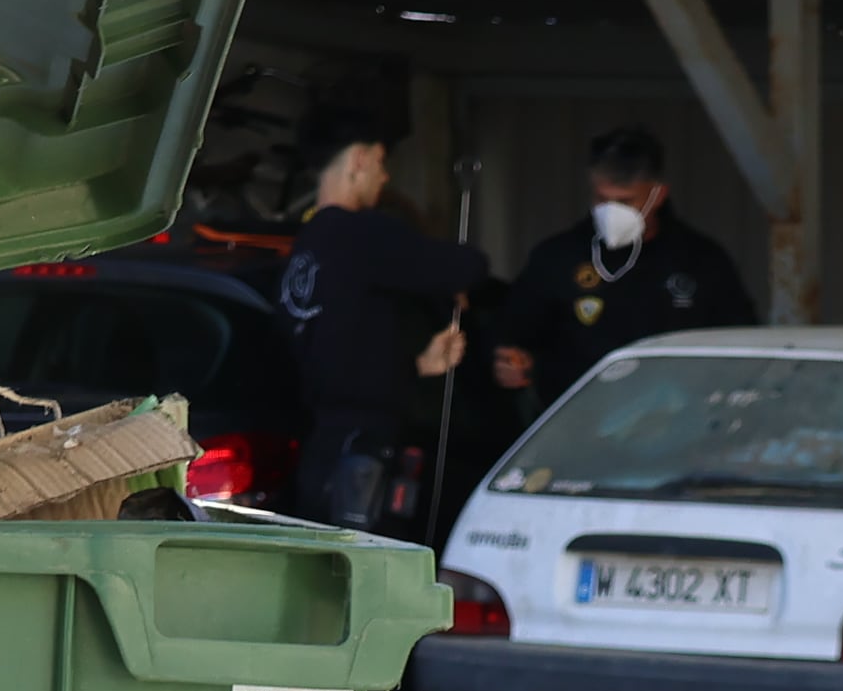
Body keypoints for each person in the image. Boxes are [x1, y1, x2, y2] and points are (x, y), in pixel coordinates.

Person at [276, 109, 485, 540]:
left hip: (320, 445)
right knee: (365, 567)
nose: (385, 177)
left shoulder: (309, 242)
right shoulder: (363, 234)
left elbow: (343, 348)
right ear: (358, 160)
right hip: (361, 452)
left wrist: (417, 366)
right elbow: (465, 266)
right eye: (381, 162)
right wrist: (452, 283)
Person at [482, 126, 757, 446]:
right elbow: (511, 331)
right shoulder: (558, 256)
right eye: (602, 199)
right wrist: (508, 361)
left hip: (680, 436)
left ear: (658, 194)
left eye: (626, 201)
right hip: (575, 433)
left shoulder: (700, 260)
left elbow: (740, 341)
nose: (612, 212)